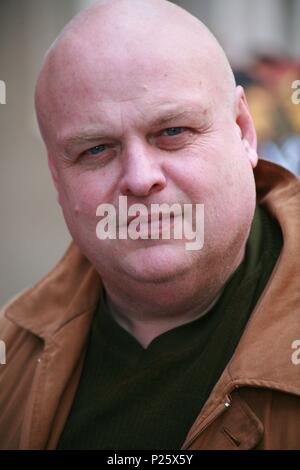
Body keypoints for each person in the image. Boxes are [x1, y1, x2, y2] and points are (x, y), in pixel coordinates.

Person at [0, 0, 300, 450]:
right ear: (57, 179)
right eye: (96, 149)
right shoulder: (12, 355)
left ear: (243, 131)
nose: (140, 179)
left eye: (173, 132)